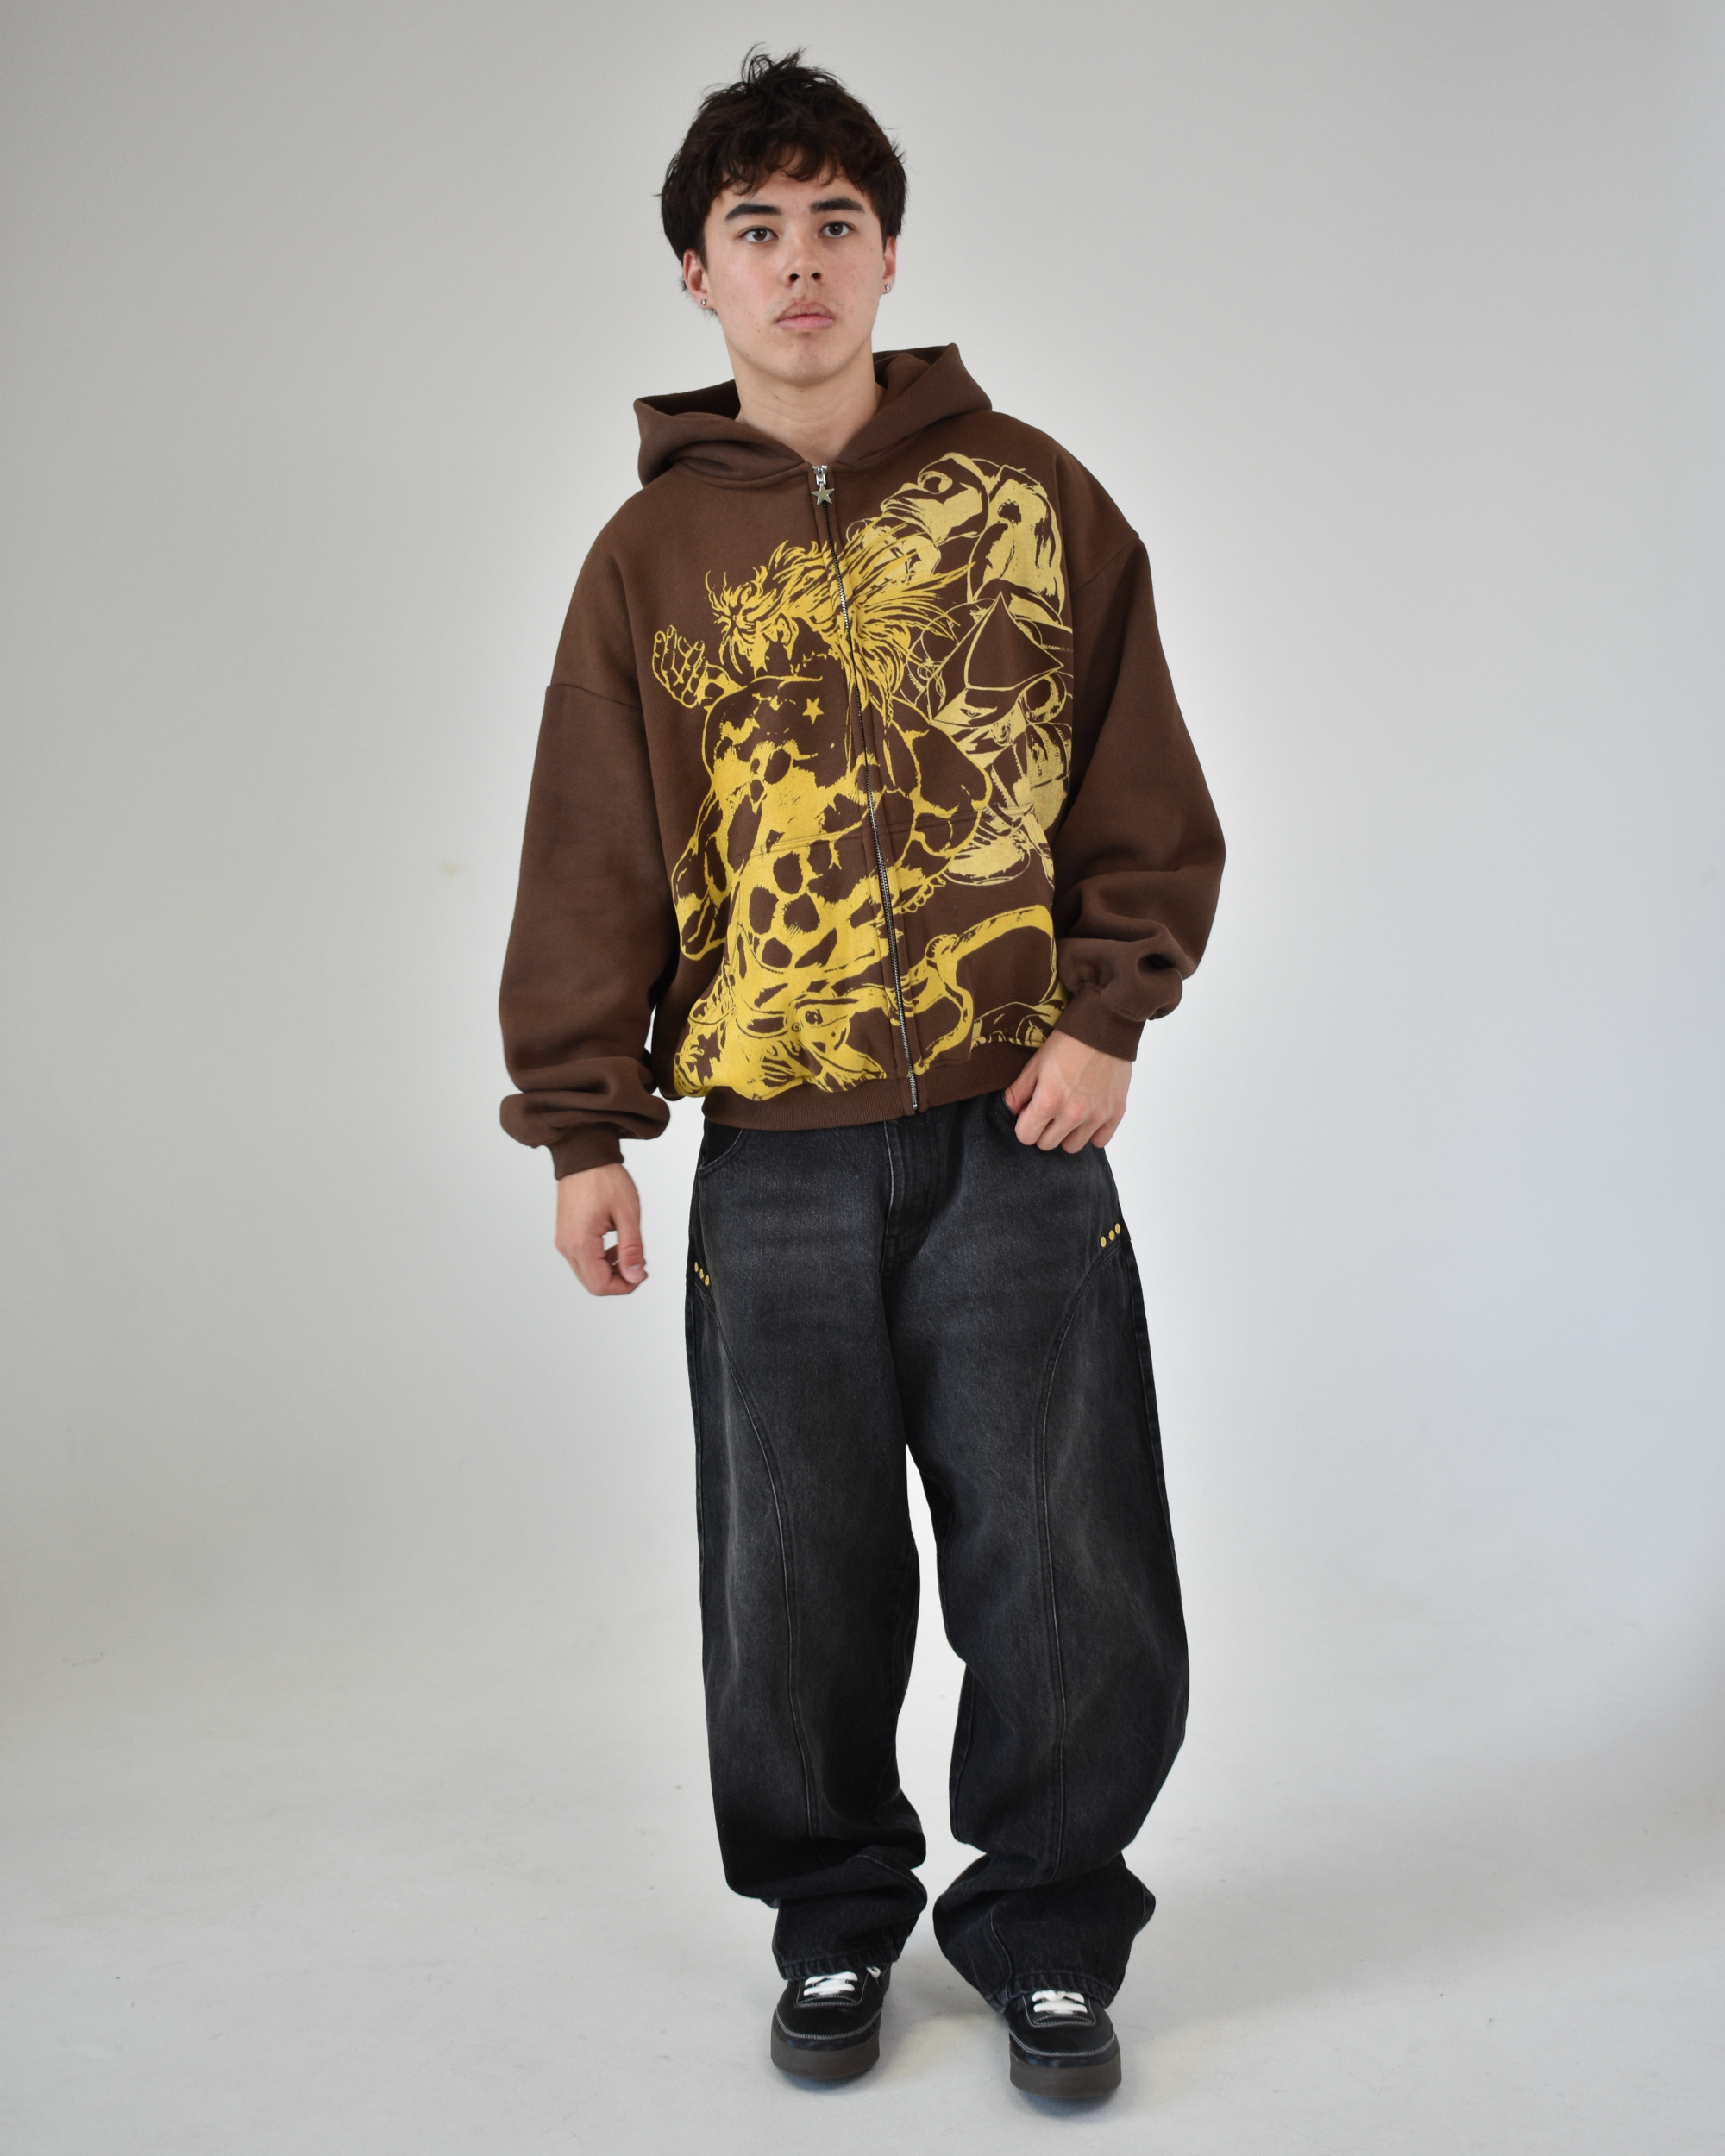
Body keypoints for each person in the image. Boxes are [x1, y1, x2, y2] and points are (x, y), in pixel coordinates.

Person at [499, 49, 1224, 2100]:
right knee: (792, 1571)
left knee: (1064, 1556)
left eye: (835, 222)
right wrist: (582, 1126)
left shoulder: (1031, 494)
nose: (798, 261)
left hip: (1018, 1129)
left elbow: (1139, 775)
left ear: (888, 253)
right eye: (756, 229)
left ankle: (1050, 1924)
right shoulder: (646, 559)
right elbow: (593, 853)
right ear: (697, 274)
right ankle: (830, 1914)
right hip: (776, 1161)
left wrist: (1106, 1011)